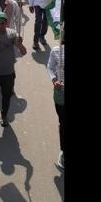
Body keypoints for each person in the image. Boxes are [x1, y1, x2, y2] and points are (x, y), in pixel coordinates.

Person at [0, 12, 27, 127]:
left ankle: (4, 115)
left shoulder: (12, 34)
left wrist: (20, 44)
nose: (0, 26)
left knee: (6, 96)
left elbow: (23, 52)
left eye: (2, 23)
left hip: (8, 73)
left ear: (6, 23)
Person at [46, 24, 65, 169]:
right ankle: (63, 153)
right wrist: (54, 80)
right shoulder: (56, 51)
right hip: (61, 95)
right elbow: (50, 67)